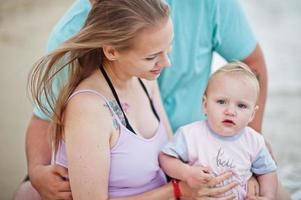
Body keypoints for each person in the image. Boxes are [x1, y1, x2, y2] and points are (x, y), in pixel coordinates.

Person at [14, 0, 291, 199]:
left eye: (168, 49)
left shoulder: (144, 78)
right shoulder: (89, 109)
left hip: (172, 174)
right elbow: (43, 120)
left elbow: (168, 152)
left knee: (273, 191)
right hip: (157, 189)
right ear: (111, 51)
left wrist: (243, 161)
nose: (166, 63)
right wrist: (37, 171)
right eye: (152, 56)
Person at [159, 62, 278, 200]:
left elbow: (267, 171)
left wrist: (268, 196)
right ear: (205, 105)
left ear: (252, 114)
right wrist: (187, 172)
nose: (230, 111)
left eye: (241, 105)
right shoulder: (190, 135)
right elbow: (166, 158)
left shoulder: (254, 141)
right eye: (221, 102)